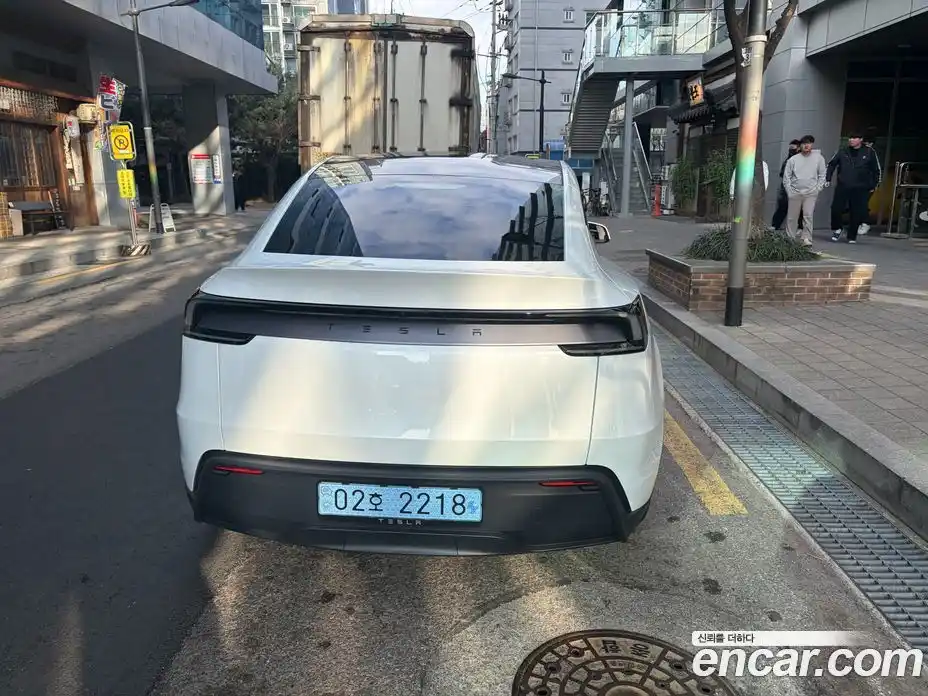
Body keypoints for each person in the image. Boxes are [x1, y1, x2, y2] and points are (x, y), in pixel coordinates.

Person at [826, 132, 880, 244]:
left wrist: (873, 185)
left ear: (860, 139)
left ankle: (852, 236)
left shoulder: (869, 152)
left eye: (854, 138)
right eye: (850, 137)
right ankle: (837, 228)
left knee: (856, 212)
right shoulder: (843, 151)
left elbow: (876, 170)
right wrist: (828, 178)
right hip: (843, 185)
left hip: (860, 187)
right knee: (836, 208)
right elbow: (831, 164)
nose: (851, 140)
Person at [783, 135, 826, 247]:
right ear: (800, 146)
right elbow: (786, 177)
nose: (807, 145)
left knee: (808, 215)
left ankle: (806, 238)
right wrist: (789, 191)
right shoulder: (793, 160)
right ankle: (790, 238)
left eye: (809, 143)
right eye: (804, 143)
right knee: (792, 217)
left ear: (812, 144)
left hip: (811, 192)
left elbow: (822, 175)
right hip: (795, 192)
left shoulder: (819, 158)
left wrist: (818, 189)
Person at [771, 139, 801, 230]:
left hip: (796, 187)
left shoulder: (800, 159)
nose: (791, 149)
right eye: (790, 148)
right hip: (785, 188)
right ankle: (775, 225)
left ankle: (800, 227)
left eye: (793, 147)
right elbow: (782, 173)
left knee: (798, 209)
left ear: (798, 148)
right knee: (782, 207)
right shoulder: (788, 159)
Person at [857, 134, 882, 236]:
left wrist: (874, 184)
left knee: (862, 203)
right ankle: (860, 222)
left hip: (868, 184)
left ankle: (865, 223)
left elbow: (877, 170)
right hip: (856, 184)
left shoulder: (872, 153)